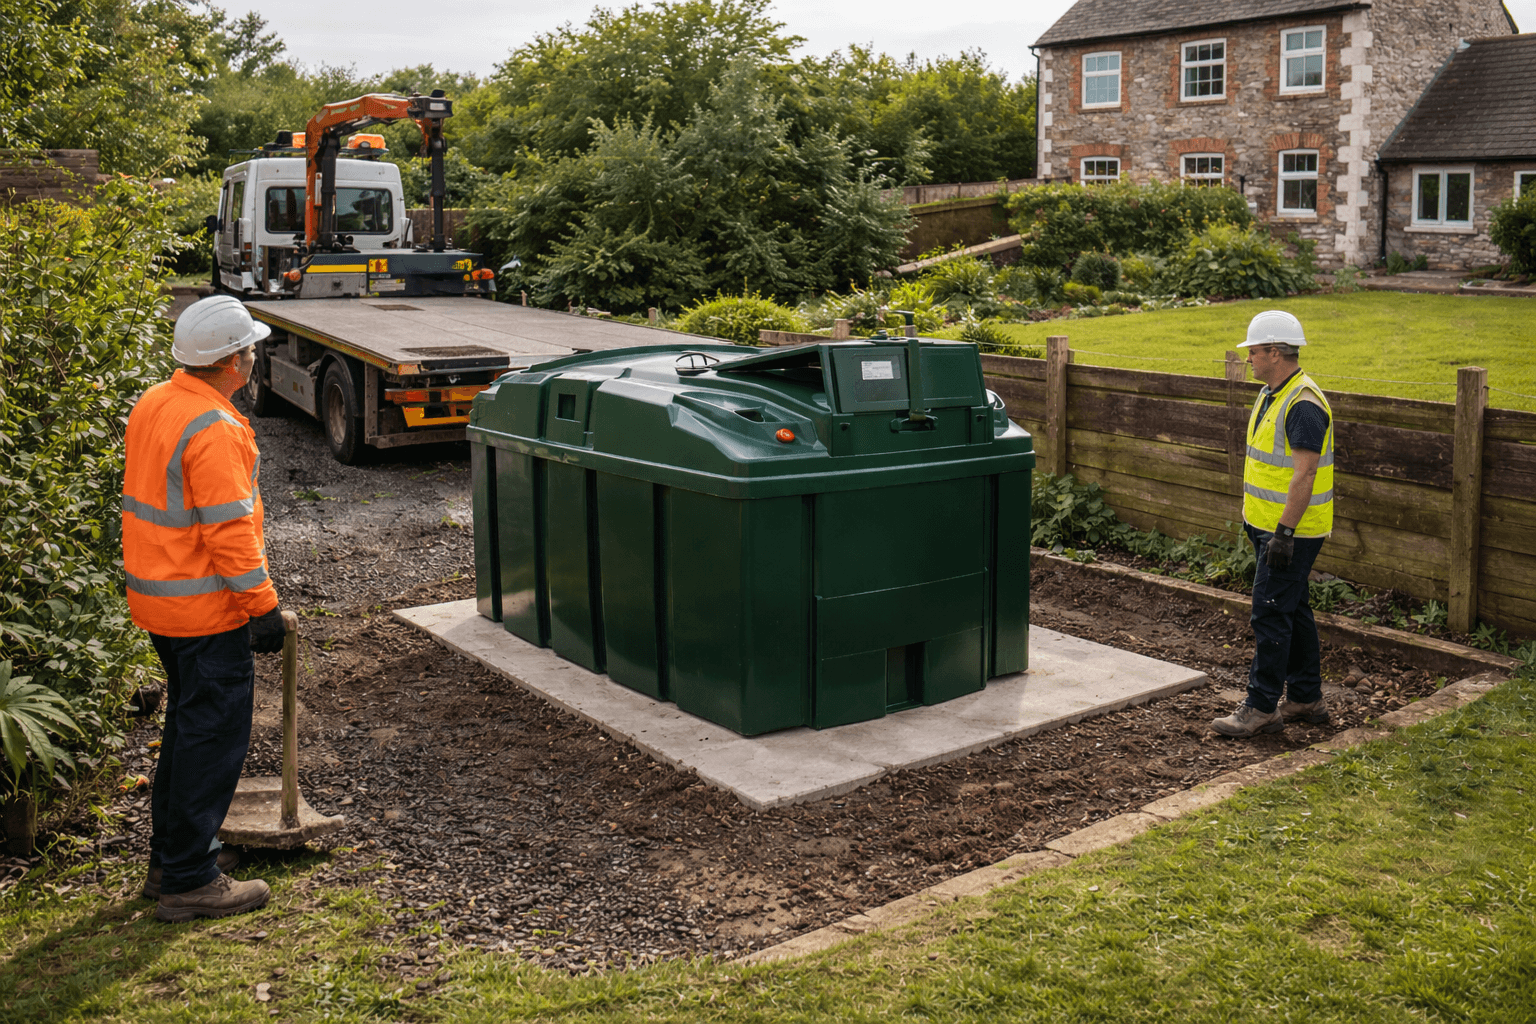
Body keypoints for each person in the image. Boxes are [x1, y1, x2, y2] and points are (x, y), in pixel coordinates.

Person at [122, 295, 285, 921]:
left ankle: (174, 860)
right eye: (250, 348)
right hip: (206, 613)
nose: (253, 356)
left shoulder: (159, 402)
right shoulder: (213, 429)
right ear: (232, 362)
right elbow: (228, 530)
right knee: (210, 740)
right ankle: (190, 878)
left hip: (162, 604)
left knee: (187, 732)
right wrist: (262, 607)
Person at [1213, 310, 1335, 738]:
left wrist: (1284, 534)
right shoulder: (1273, 392)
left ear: (1275, 352)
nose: (1248, 357)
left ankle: (1262, 706)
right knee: (1293, 608)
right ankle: (1305, 697)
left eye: (1254, 351)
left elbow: (1305, 474)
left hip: (1290, 533)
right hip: (1269, 527)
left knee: (1269, 613)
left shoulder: (1302, 404)